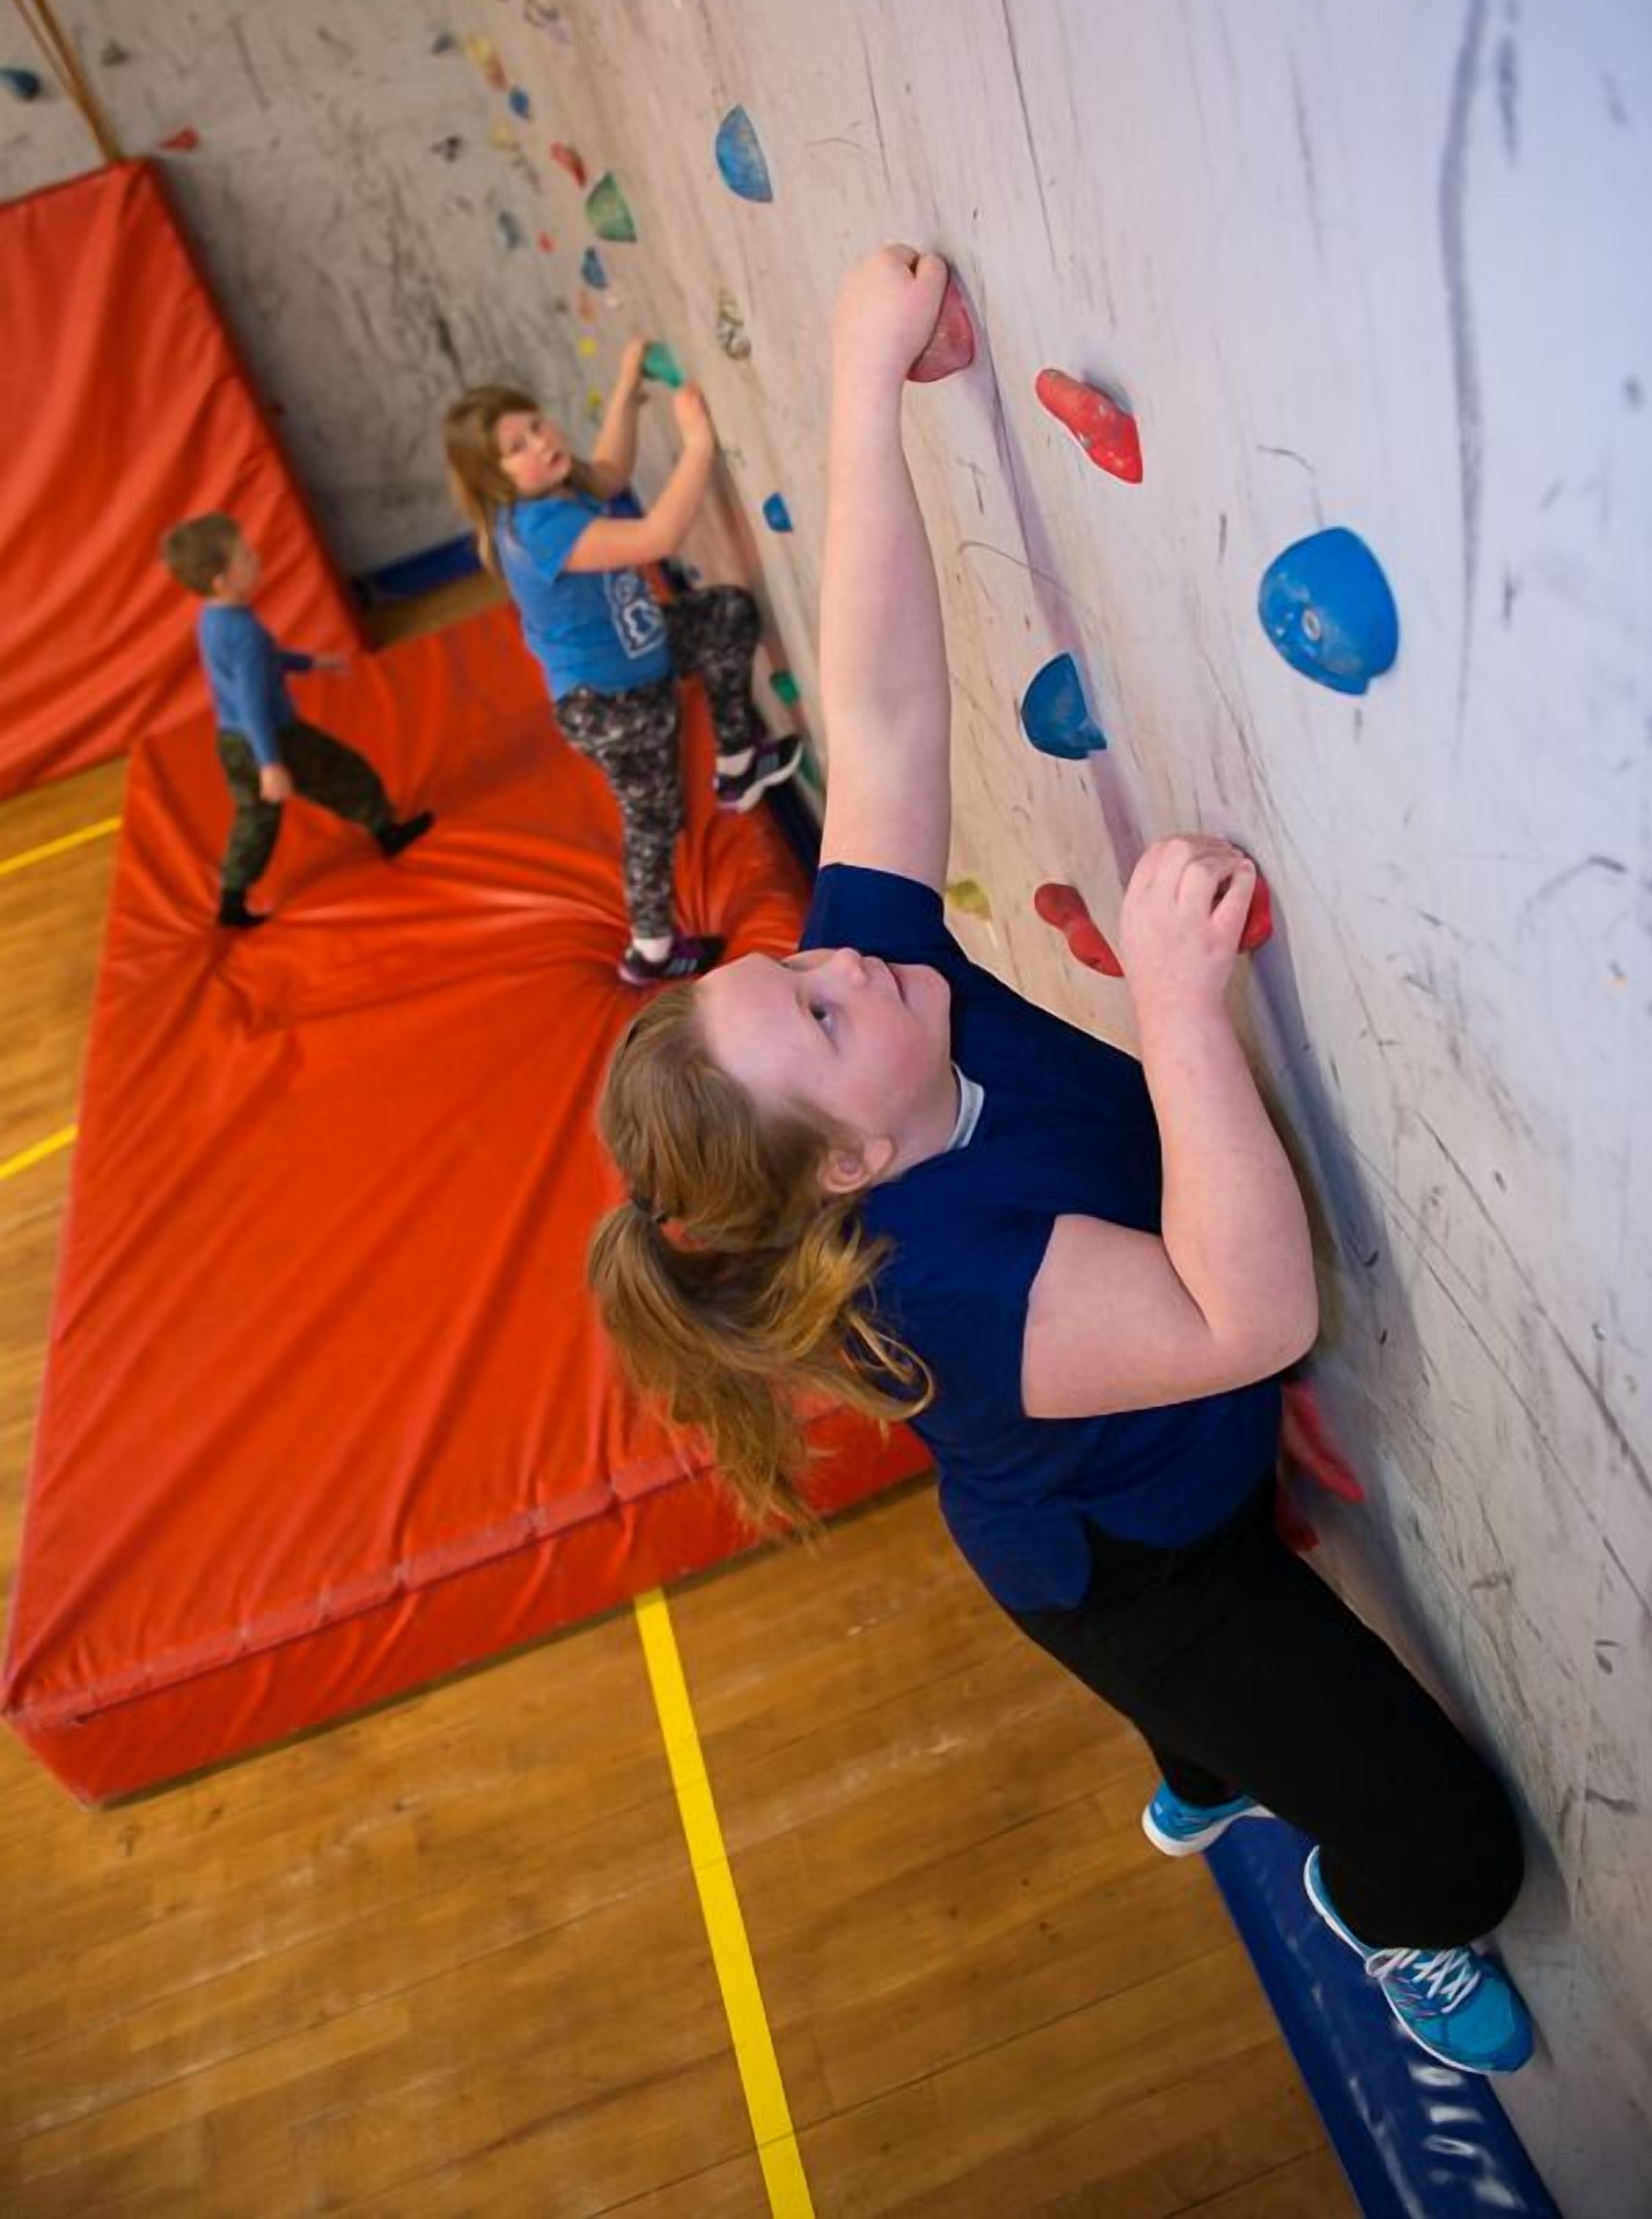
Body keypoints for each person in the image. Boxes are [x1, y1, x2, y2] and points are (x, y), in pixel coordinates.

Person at [587, 247, 1534, 2078]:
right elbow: (1244, 1318)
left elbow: (880, 716)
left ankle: (1202, 1767)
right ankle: (1362, 1904)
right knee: (1451, 1852)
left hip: (1130, 1460)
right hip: (1142, 1571)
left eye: (789, 967)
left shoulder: (881, 1013)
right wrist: (1175, 1003)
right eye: (820, 1011)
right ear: (852, 1162)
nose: (841, 962)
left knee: (1207, 1686)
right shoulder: (940, 1276)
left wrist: (859, 388)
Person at [443, 341, 800, 985]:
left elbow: (608, 470)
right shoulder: (535, 529)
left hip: (643, 647)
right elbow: (657, 537)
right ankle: (651, 949)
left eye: (537, 425)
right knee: (654, 817)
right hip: (610, 704)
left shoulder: (556, 487)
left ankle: (737, 764)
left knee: (725, 615)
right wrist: (697, 445)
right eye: (518, 447)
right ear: (493, 478)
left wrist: (627, 386)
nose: (541, 443)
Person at [161, 513, 432, 928]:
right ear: (223, 582)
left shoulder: (211, 618)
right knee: (346, 772)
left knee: (256, 817)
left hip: (232, 740)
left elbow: (255, 668)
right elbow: (253, 699)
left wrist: (309, 662)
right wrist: (270, 762)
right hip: (272, 737)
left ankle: (232, 896)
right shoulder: (245, 632)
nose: (256, 558)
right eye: (245, 556)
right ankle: (387, 831)